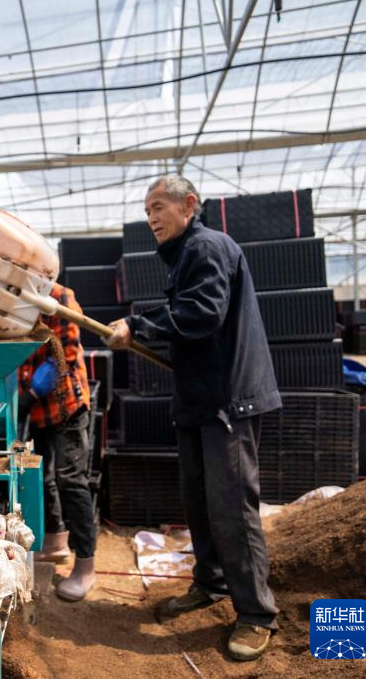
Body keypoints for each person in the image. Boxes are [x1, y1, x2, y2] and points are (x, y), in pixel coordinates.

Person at [106, 174, 281, 661]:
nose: (151, 218)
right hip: (200, 402)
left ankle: (257, 614)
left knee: (232, 508)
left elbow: (203, 313)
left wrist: (138, 325)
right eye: (147, 211)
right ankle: (211, 582)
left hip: (228, 400)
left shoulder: (207, 247)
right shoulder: (186, 255)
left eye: (158, 207)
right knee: (200, 503)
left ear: (188, 205)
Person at [17, 271, 98, 602]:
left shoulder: (59, 298)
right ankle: (55, 542)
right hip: (39, 410)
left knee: (71, 480)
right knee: (44, 477)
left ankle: (86, 566)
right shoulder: (15, 299)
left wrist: (32, 392)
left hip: (65, 406)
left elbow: (61, 357)